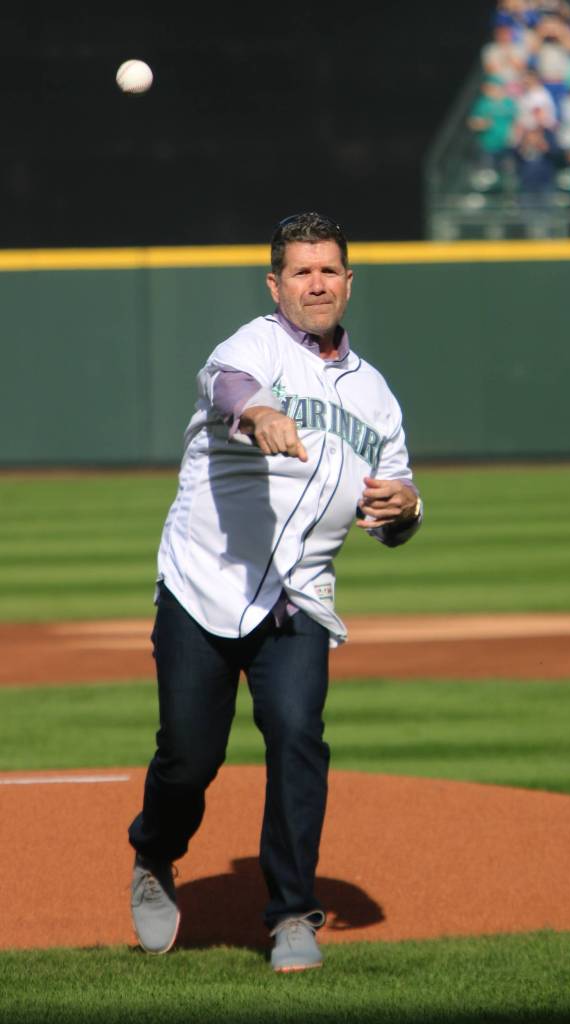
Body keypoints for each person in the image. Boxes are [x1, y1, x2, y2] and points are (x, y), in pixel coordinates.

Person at [127, 211, 423, 973]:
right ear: (276, 284)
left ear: (348, 282)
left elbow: (391, 513)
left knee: (297, 736)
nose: (316, 283)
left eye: (328, 270)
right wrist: (258, 411)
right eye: (301, 271)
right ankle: (155, 854)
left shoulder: (377, 397)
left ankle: (292, 912)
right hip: (204, 585)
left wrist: (404, 513)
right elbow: (230, 387)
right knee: (189, 759)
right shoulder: (250, 346)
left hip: (300, 602)